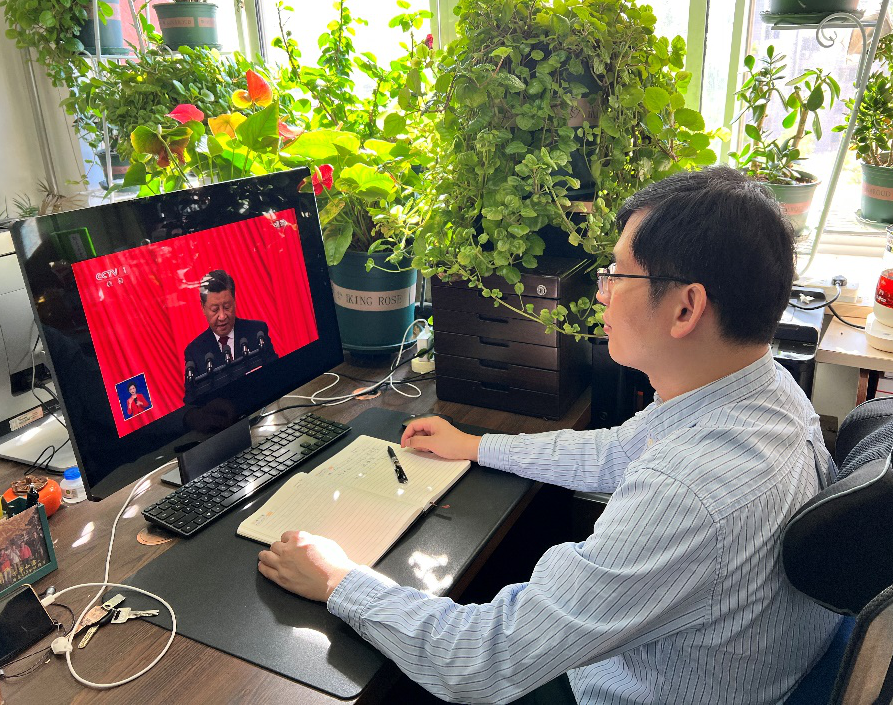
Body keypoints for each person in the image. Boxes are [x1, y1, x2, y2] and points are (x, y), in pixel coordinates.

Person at [257, 166, 841, 704]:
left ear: (686, 309)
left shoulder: (688, 492)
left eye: (617, 274)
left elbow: (484, 661)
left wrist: (338, 580)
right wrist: (476, 446)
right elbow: (618, 450)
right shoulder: (765, 390)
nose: (601, 292)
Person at [183, 269, 277, 401]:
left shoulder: (257, 332)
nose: (222, 316)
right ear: (203, 307)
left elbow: (276, 374)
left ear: (234, 301)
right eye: (215, 310)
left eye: (227, 307)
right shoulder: (194, 351)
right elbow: (192, 402)